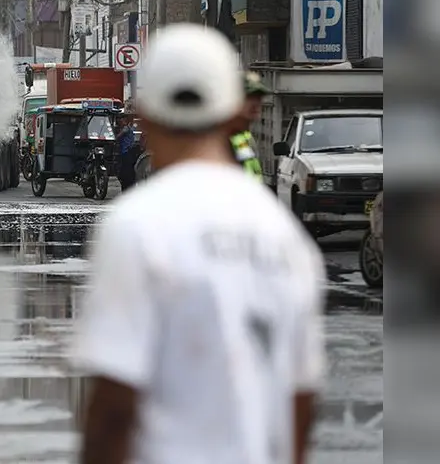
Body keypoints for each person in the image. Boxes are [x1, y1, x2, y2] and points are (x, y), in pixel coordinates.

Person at [71, 24, 325, 464]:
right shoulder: (284, 235)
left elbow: (114, 405)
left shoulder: (137, 223)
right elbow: (300, 401)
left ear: (145, 116)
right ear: (232, 113)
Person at [229, 71, 269, 184]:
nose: (256, 103)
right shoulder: (218, 138)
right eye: (249, 97)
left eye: (259, 97)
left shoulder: (244, 135)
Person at [115, 114, 138, 191]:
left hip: (126, 152)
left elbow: (117, 137)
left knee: (125, 172)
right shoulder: (127, 128)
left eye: (120, 119)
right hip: (126, 152)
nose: (119, 121)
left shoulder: (125, 129)